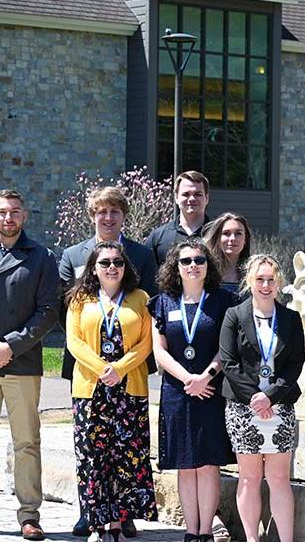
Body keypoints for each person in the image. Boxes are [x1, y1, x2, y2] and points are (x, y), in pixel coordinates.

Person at [59, 186, 157, 537]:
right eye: (105, 262)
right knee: (92, 456)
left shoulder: (141, 286)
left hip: (129, 383)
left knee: (126, 455)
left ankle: (121, 516)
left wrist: (121, 368)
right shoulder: (77, 285)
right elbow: (72, 338)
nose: (112, 266)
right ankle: (93, 515)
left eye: (117, 262)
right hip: (90, 383)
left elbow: (148, 339)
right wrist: (102, 369)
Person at [148, 239, 237, 542]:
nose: (193, 266)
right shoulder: (162, 302)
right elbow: (159, 351)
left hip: (210, 392)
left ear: (208, 265)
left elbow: (227, 348)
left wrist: (205, 377)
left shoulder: (224, 301)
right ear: (176, 266)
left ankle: (206, 532)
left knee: (208, 464)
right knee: (185, 465)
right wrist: (189, 378)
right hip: (177, 392)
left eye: (199, 260)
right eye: (186, 261)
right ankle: (191, 531)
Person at [220, 254, 305, 542]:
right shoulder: (235, 315)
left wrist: (270, 397)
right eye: (260, 279)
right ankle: (252, 539)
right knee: (249, 478)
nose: (266, 285)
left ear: (279, 282)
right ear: (249, 282)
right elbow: (229, 363)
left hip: (279, 407)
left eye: (271, 279)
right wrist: (255, 397)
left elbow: (296, 364)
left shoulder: (291, 319)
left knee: (280, 479)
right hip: (244, 409)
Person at [0, 189, 59, 541]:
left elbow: (48, 311)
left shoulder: (41, 257)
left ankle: (29, 515)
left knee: (26, 442)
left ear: (25, 216)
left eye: (14, 212)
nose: (8, 218)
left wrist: (11, 345)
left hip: (21, 363)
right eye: (3, 212)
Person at [146, 171, 211, 267]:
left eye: (198, 194)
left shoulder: (218, 235)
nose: (192, 198)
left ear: (207, 198)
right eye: (186, 194)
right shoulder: (158, 237)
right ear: (176, 197)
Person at [203, 212, 252, 295]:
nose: (233, 238)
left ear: (245, 240)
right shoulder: (205, 271)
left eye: (238, 233)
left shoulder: (253, 273)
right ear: (217, 238)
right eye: (226, 233)